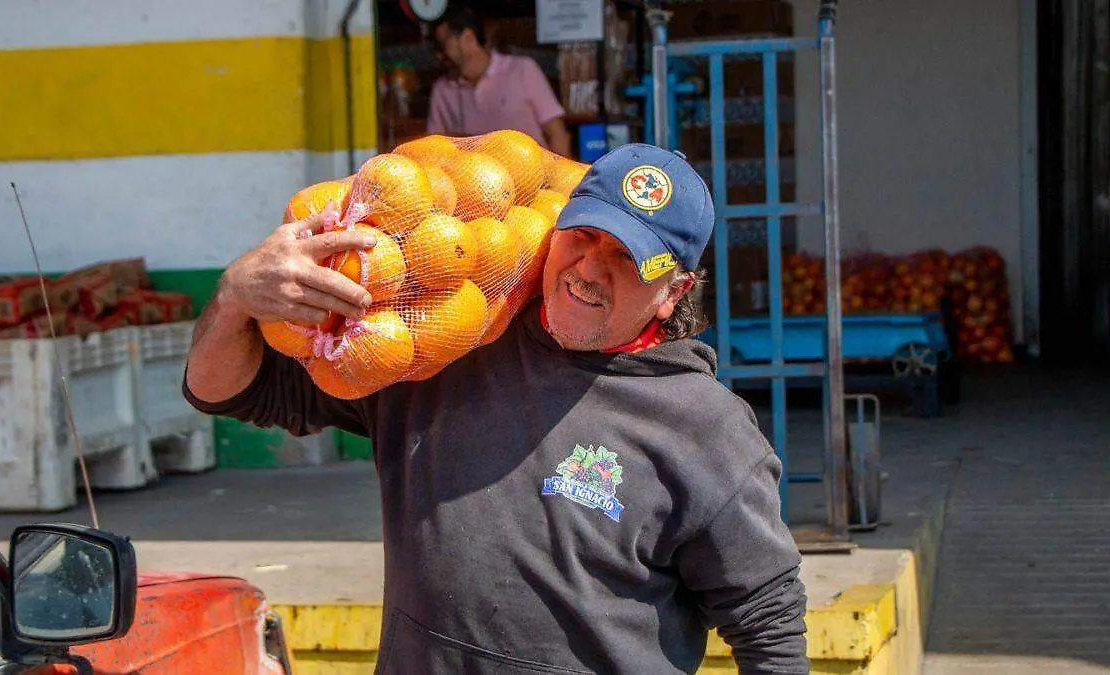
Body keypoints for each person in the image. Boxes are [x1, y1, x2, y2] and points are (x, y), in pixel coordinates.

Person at [183, 144, 809, 674]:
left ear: (673, 292)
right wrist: (236, 295)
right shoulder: (448, 345)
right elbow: (230, 391)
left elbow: (769, 627)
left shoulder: (705, 430)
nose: (588, 269)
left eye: (626, 257)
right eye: (583, 235)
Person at [426, 6, 572, 157]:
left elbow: (558, 134)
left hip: (533, 175)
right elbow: (435, 149)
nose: (438, 55)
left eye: (442, 45)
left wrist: (557, 178)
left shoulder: (522, 70)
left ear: (468, 38)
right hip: (471, 176)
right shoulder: (442, 89)